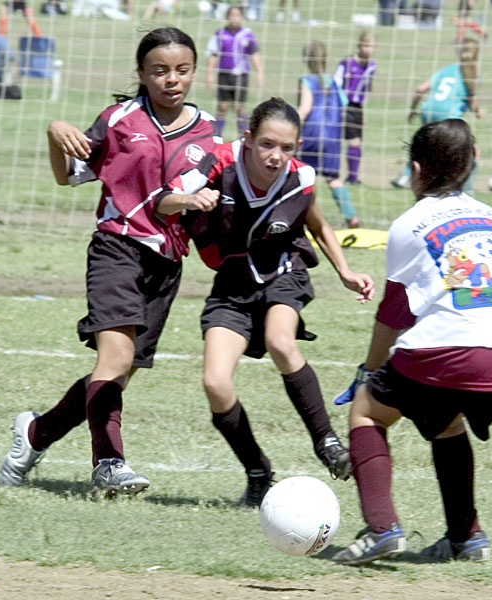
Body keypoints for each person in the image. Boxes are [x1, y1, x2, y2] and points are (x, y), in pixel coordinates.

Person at [0, 27, 222, 496]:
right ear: (142, 73)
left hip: (166, 263)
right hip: (117, 248)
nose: (172, 80)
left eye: (182, 70)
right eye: (159, 71)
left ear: (195, 72)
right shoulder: (118, 120)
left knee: (117, 373)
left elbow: (193, 200)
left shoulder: (209, 133)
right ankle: (108, 464)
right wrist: (55, 133)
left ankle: (35, 433)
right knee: (114, 358)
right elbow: (69, 176)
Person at [156, 97, 375, 507]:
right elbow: (162, 199)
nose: (276, 156)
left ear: (297, 148)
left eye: (286, 147)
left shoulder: (299, 177)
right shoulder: (218, 164)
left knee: (280, 341)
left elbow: (317, 223)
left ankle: (327, 443)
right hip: (232, 285)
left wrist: (345, 271)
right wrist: (189, 200)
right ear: (248, 139)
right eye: (267, 144)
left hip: (283, 273)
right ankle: (257, 471)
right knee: (215, 383)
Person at [332, 118, 492, 565]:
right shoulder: (489, 216)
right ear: (470, 164)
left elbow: (394, 313)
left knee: (366, 410)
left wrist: (368, 371)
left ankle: (381, 529)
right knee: (444, 420)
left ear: (416, 170)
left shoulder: (408, 224)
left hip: (455, 348)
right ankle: (467, 538)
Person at [391, 37, 484, 190]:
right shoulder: (473, 75)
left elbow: (421, 88)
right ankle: (467, 189)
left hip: (428, 111)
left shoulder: (448, 69)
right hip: (448, 117)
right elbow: (473, 105)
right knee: (473, 151)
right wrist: (479, 112)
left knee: (425, 147)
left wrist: (413, 110)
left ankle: (404, 177)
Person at [297, 40, 359, 228]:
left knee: (303, 176)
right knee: (333, 178)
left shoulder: (307, 81)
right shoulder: (333, 82)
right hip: (332, 137)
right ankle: (351, 216)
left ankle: (304, 217)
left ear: (306, 59)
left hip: (311, 135)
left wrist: (291, 122)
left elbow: (305, 108)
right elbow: (344, 103)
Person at [205, 5, 264, 138]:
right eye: (232, 15)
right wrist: (209, 74)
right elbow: (213, 55)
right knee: (222, 106)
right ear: (227, 17)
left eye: (237, 15)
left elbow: (254, 54)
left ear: (242, 17)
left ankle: (243, 137)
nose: (234, 18)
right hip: (224, 74)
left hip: (241, 75)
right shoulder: (220, 34)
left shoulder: (247, 34)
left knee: (239, 107)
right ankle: (217, 136)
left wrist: (259, 73)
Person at [333, 31, 376, 185]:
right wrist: (341, 106)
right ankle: (349, 177)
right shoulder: (347, 63)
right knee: (352, 141)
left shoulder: (371, 66)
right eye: (365, 45)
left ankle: (353, 177)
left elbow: (365, 90)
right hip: (345, 105)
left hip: (357, 107)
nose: (368, 50)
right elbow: (336, 84)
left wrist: (364, 110)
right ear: (359, 45)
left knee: (358, 143)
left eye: (371, 46)